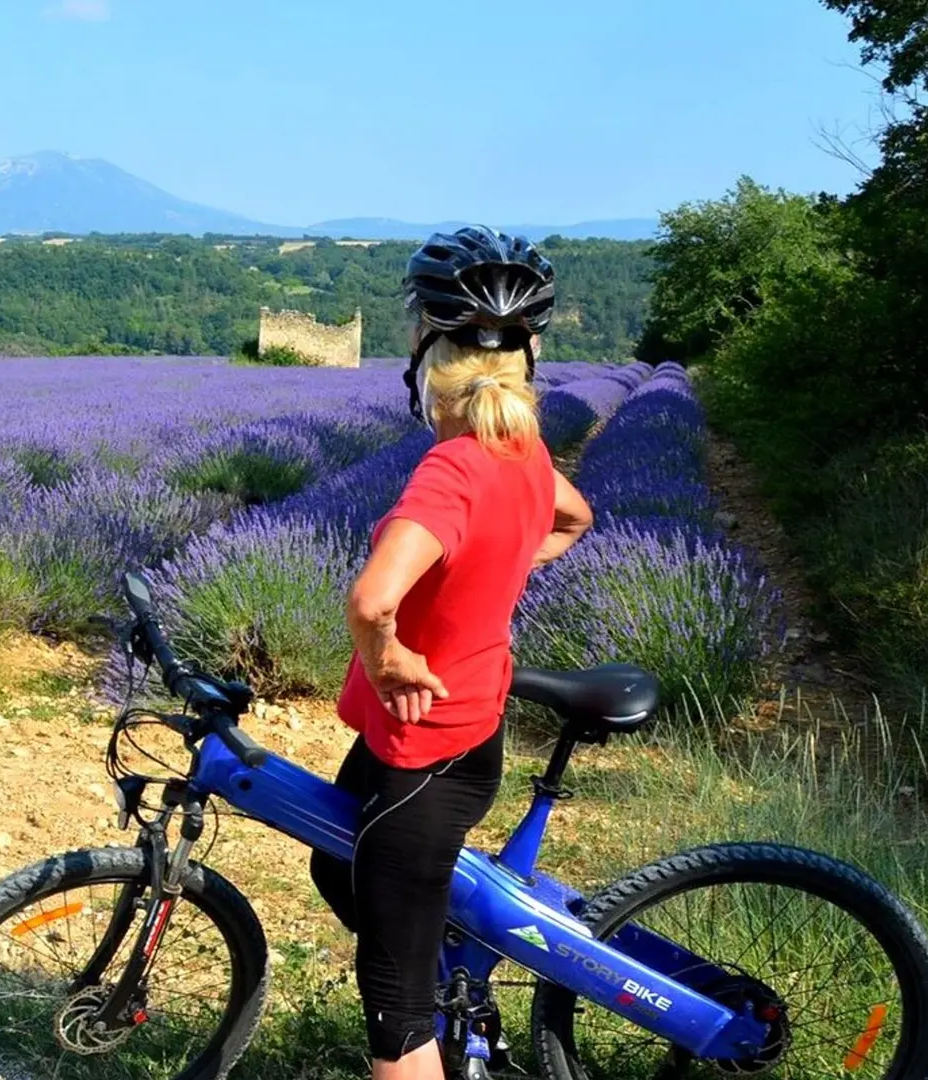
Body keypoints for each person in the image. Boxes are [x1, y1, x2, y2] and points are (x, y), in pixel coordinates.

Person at [309, 226, 594, 1080]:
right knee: (336, 861)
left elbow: (370, 598)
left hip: (429, 753)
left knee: (392, 1008)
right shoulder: (522, 448)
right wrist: (501, 564)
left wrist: (389, 654)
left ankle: (428, 1028)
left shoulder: (454, 468)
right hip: (449, 737)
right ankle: (453, 992)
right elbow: (573, 519)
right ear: (524, 356)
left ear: (424, 347)